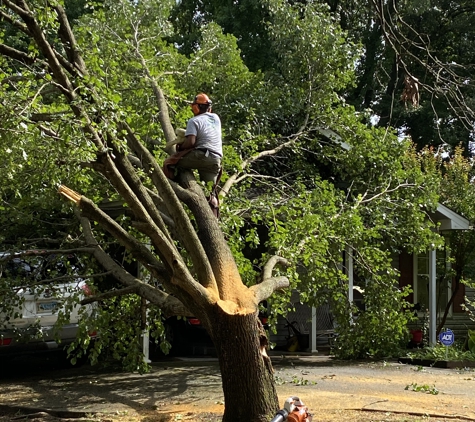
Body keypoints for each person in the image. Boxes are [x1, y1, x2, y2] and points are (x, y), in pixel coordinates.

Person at [162, 93, 223, 216]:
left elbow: (191, 142)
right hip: (215, 160)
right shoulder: (216, 118)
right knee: (209, 193)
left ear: (196, 107)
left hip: (201, 156)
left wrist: (180, 147)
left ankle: (170, 196)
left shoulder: (193, 121)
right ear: (209, 108)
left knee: (169, 163)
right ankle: (214, 219)